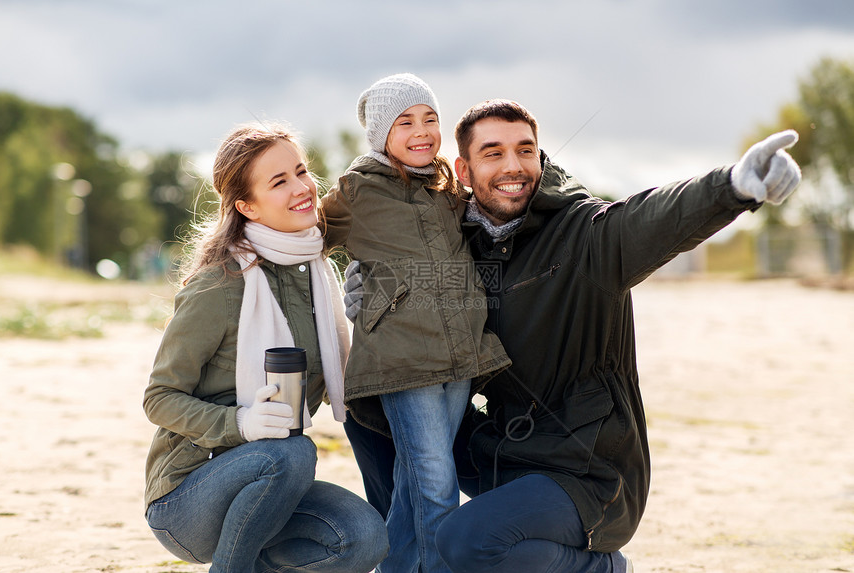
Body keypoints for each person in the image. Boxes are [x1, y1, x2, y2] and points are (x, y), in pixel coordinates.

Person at [343, 99, 801, 573]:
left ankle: (601, 568)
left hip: (587, 472)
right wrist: (379, 289)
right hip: (504, 451)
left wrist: (732, 186)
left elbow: (649, 219)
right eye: (493, 153)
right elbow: (397, 248)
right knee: (372, 411)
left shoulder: (584, 233)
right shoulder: (458, 248)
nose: (514, 166)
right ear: (463, 169)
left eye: (525, 150)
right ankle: (402, 555)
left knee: (466, 541)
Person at [142, 122, 388, 573]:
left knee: (365, 538)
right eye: (279, 181)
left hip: (270, 490)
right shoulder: (220, 284)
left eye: (301, 171)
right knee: (293, 451)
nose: (302, 187)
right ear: (247, 206)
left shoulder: (315, 272)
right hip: (187, 497)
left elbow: (344, 379)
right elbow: (158, 399)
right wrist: (242, 422)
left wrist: (368, 312)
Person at [319, 74, 511, 573]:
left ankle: (399, 565)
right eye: (405, 122)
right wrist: (354, 281)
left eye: (430, 119)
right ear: (382, 134)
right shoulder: (357, 191)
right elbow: (304, 231)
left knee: (416, 480)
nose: (421, 131)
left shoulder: (446, 188)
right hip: (403, 360)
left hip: (459, 350)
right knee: (436, 484)